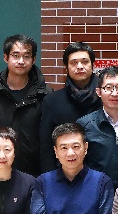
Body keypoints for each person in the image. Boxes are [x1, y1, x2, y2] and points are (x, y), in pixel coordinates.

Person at [0, 34, 48, 176]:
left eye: (26, 56)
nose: (21, 61)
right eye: (15, 56)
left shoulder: (45, 95)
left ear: (33, 59)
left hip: (34, 173)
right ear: (6, 57)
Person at [39, 42, 101, 173]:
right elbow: (46, 147)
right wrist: (49, 178)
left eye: (85, 62)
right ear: (66, 68)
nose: (80, 66)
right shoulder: (52, 101)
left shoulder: (105, 99)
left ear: (93, 65)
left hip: (99, 174)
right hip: (63, 174)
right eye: (74, 63)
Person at [77, 66, 118, 183]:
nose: (114, 93)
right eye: (108, 88)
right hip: (96, 190)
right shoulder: (85, 125)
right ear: (98, 92)